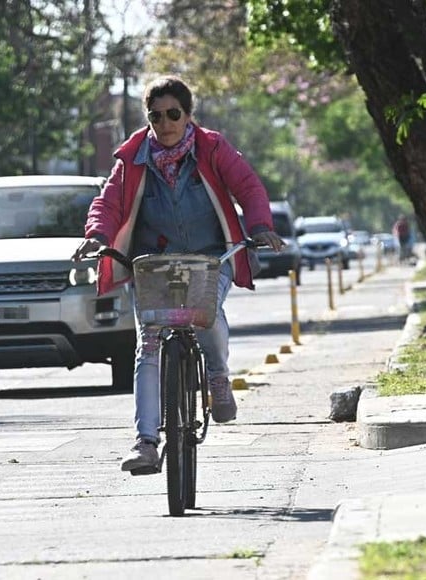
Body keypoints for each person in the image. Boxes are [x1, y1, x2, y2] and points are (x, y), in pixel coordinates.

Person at [71, 76, 283, 473]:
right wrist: (96, 236)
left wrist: (259, 227)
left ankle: (218, 376)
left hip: (210, 259)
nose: (165, 123)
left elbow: (249, 187)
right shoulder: (133, 157)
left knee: (207, 316)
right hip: (153, 264)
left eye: (173, 114)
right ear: (147, 119)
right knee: (147, 345)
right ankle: (146, 441)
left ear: (188, 116)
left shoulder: (213, 148)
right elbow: (108, 203)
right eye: (156, 116)